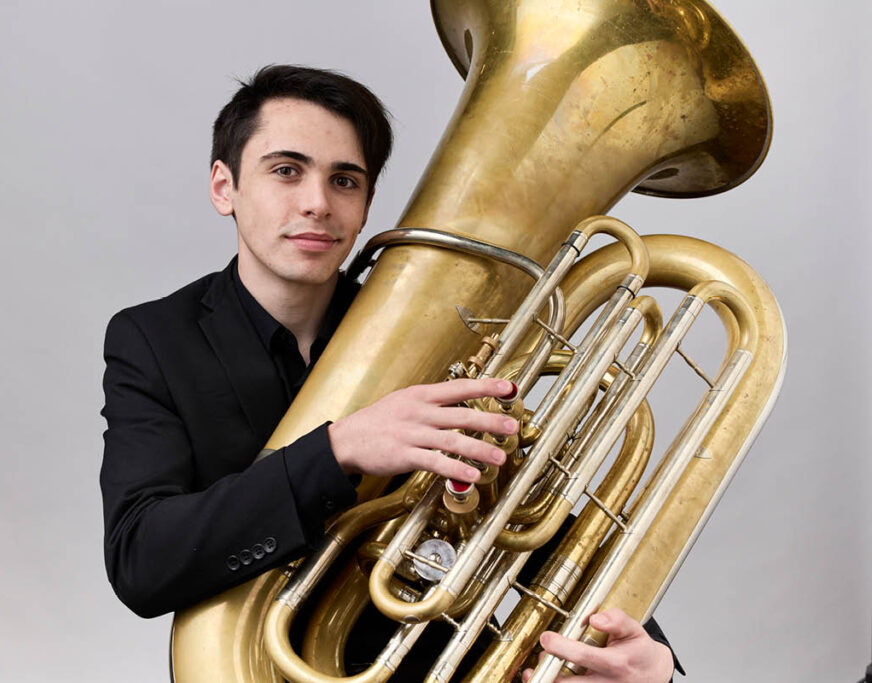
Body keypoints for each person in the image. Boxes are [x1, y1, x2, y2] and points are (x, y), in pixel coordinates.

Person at [100, 64, 680, 681]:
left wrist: (644, 656)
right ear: (225, 187)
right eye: (286, 170)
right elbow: (143, 560)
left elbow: (527, 508)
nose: (318, 203)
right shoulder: (154, 339)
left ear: (367, 203)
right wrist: (340, 448)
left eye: (344, 180)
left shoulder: (434, 331)